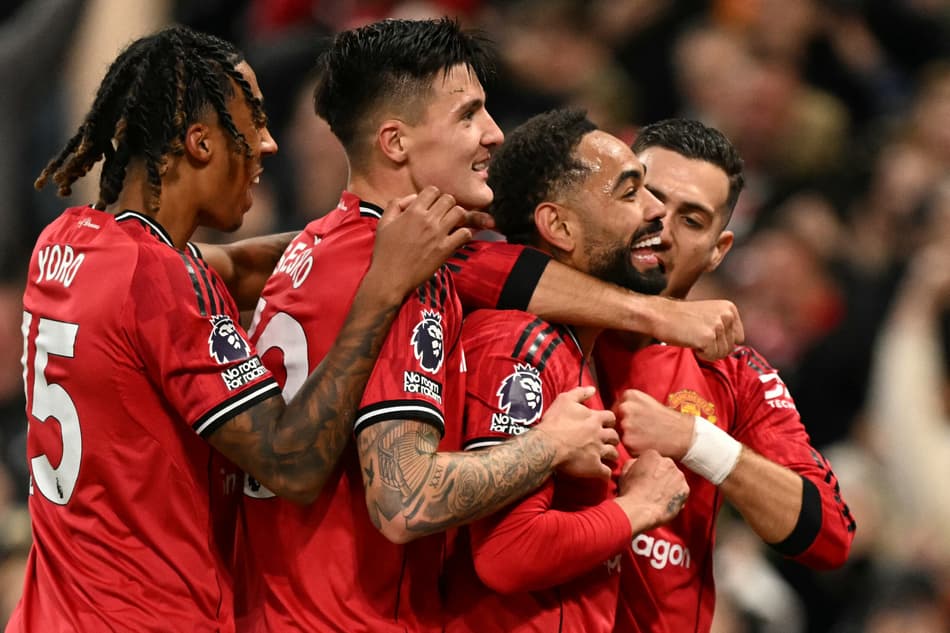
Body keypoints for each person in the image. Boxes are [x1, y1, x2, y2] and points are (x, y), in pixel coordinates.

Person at [10, 25, 484, 633]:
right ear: (201, 143)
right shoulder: (162, 280)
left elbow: (239, 267)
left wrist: (356, 236)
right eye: (253, 121)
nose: (268, 145)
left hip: (50, 615)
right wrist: (382, 289)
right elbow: (291, 464)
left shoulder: (69, 241)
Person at [237, 18, 619, 633]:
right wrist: (552, 443)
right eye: (468, 115)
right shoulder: (405, 271)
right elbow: (404, 500)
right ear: (395, 142)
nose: (494, 133)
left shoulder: (314, 244)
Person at [600, 118, 856, 632]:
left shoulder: (734, 374)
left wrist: (698, 441)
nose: (661, 226)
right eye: (647, 196)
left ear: (719, 251)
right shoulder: (529, 309)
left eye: (692, 221)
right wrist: (648, 314)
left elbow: (830, 534)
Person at [444, 109, 690, 632]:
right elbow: (506, 553)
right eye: (629, 193)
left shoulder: (574, 346)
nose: (656, 211)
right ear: (558, 226)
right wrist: (638, 507)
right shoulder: (518, 345)